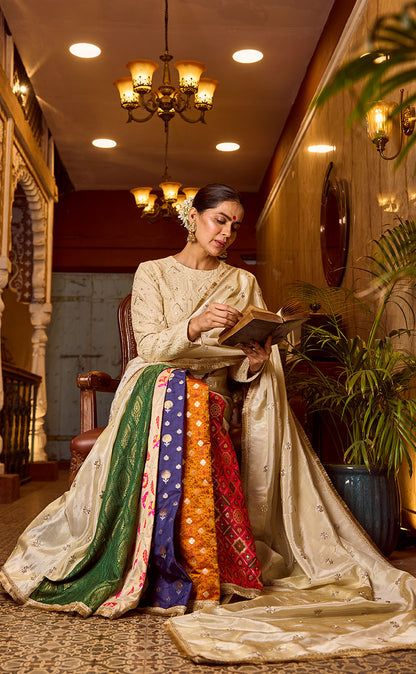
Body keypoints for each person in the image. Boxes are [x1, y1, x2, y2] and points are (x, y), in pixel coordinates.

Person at [1, 183, 416, 665]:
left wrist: (256, 362)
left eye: (235, 225)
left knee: (197, 394)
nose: (227, 232)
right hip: (154, 384)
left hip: (210, 394)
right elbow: (152, 348)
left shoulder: (242, 283)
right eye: (219, 219)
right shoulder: (152, 273)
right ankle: (154, 561)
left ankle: (190, 562)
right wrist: (195, 326)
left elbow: (238, 367)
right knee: (177, 387)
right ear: (192, 217)